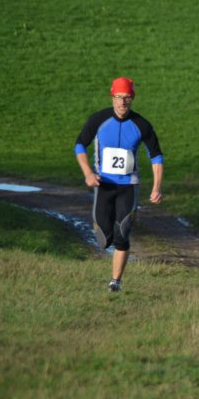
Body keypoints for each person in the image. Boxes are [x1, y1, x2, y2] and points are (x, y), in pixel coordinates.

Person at [75, 77, 164, 292]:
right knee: (104, 239)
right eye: (118, 97)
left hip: (128, 186)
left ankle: (115, 282)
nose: (122, 102)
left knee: (122, 233)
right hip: (104, 185)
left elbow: (156, 156)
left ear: (132, 98)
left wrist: (156, 187)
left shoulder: (141, 124)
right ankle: (106, 236)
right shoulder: (99, 120)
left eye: (127, 98)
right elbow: (80, 145)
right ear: (112, 97)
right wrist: (88, 173)